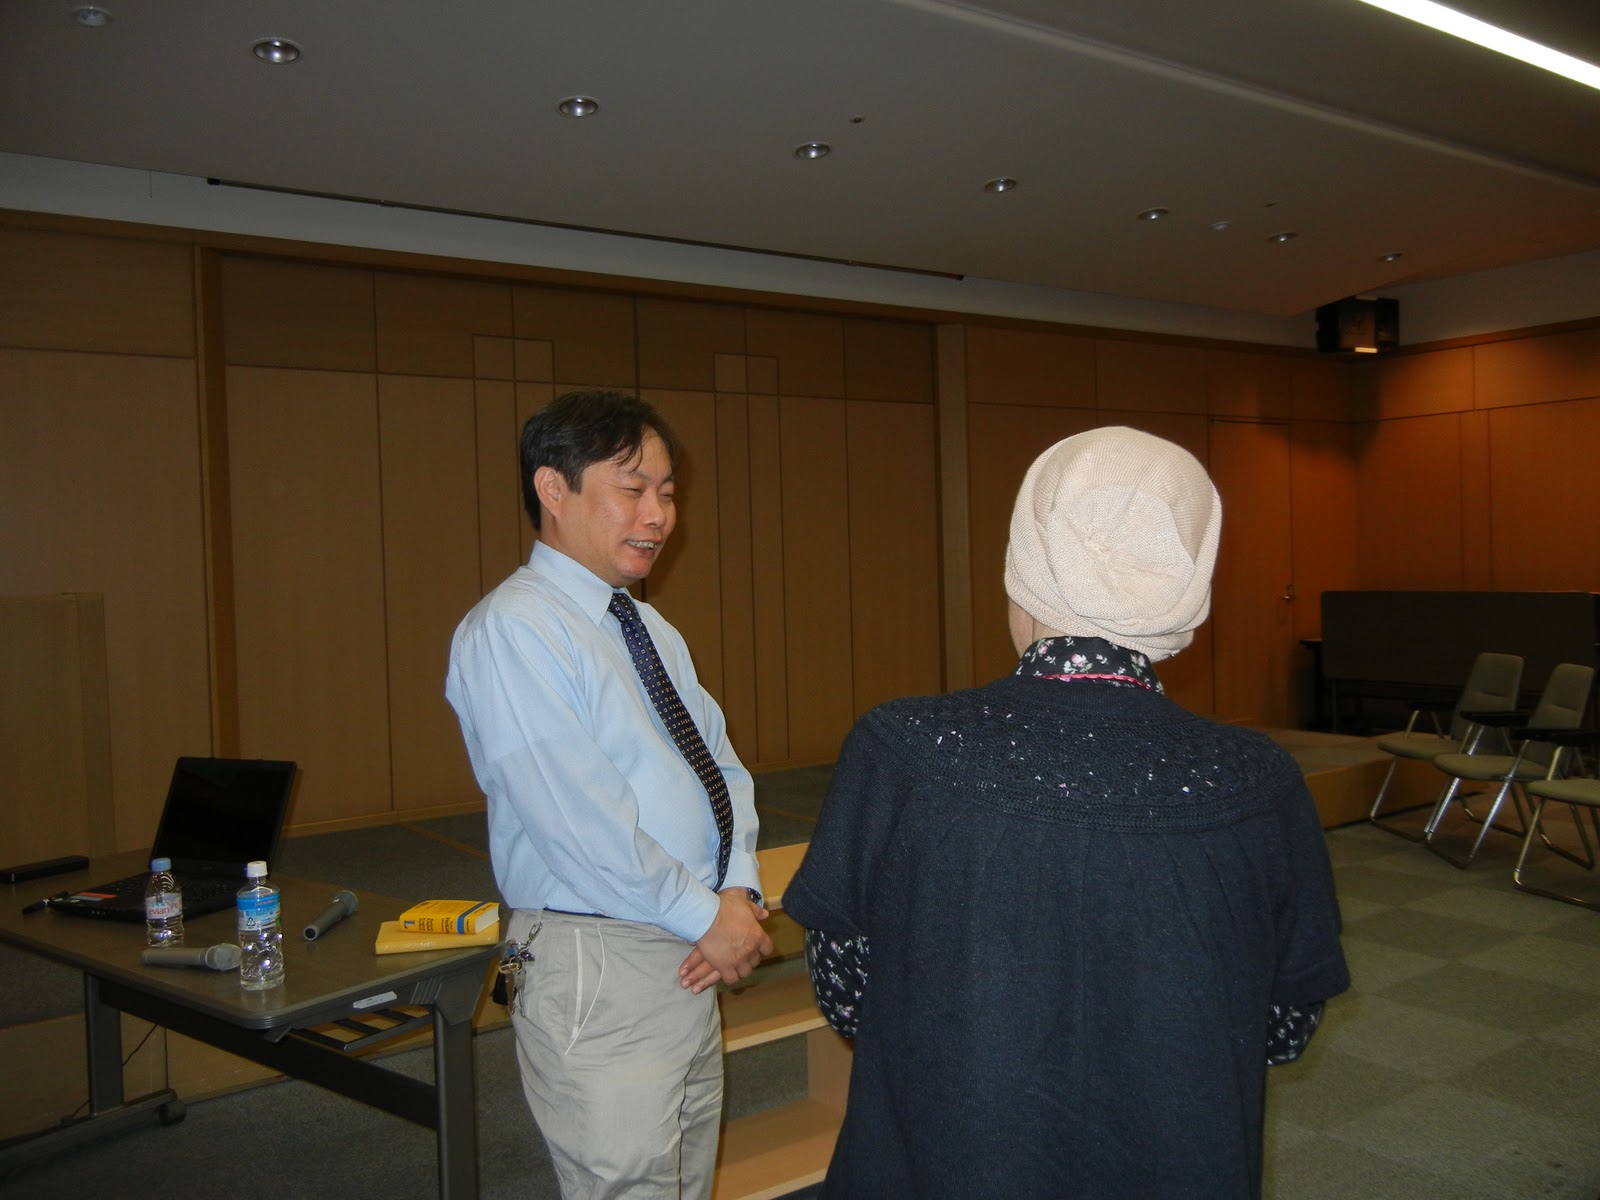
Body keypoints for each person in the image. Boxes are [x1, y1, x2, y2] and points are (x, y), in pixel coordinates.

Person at [784, 425, 1350, 1199]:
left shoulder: (902, 750)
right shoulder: (1260, 781)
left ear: (1024, 571)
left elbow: (847, 995)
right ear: (1188, 583)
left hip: (945, 1163)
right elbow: (1283, 1027)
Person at [445, 389, 772, 1200]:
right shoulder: (515, 629)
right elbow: (578, 825)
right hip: (599, 954)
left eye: (667, 492)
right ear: (552, 488)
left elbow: (721, 768)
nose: (659, 516)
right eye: (633, 489)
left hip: (687, 939)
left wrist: (737, 890)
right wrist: (710, 918)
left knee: (684, 1179)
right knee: (627, 1184)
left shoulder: (645, 626)